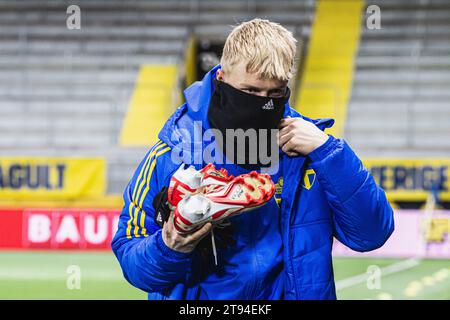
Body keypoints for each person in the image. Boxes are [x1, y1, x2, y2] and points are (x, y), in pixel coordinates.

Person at [112, 18, 394, 300]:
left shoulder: (312, 151)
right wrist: (171, 244)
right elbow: (134, 267)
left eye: (275, 93)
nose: (262, 102)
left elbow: (371, 234)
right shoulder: (173, 152)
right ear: (221, 78)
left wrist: (329, 151)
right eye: (249, 91)